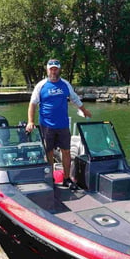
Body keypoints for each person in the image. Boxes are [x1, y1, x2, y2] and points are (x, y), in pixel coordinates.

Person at [26, 59, 92, 190]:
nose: (53, 71)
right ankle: (50, 178)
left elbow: (75, 99)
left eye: (55, 68)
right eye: (51, 68)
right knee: (49, 152)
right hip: (47, 125)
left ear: (59, 69)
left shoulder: (65, 84)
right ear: (47, 70)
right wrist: (30, 121)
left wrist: (84, 111)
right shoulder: (41, 85)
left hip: (63, 125)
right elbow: (32, 104)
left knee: (66, 152)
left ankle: (66, 178)